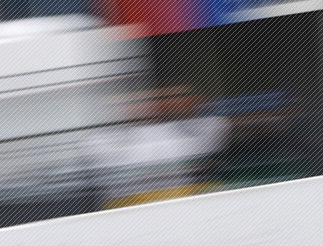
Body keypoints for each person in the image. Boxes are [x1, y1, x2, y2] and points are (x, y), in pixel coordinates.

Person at [91, 86, 230, 207]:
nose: (155, 104)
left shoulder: (203, 128)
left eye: (169, 98)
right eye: (138, 101)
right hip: (131, 208)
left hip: (189, 202)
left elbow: (216, 129)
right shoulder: (103, 139)